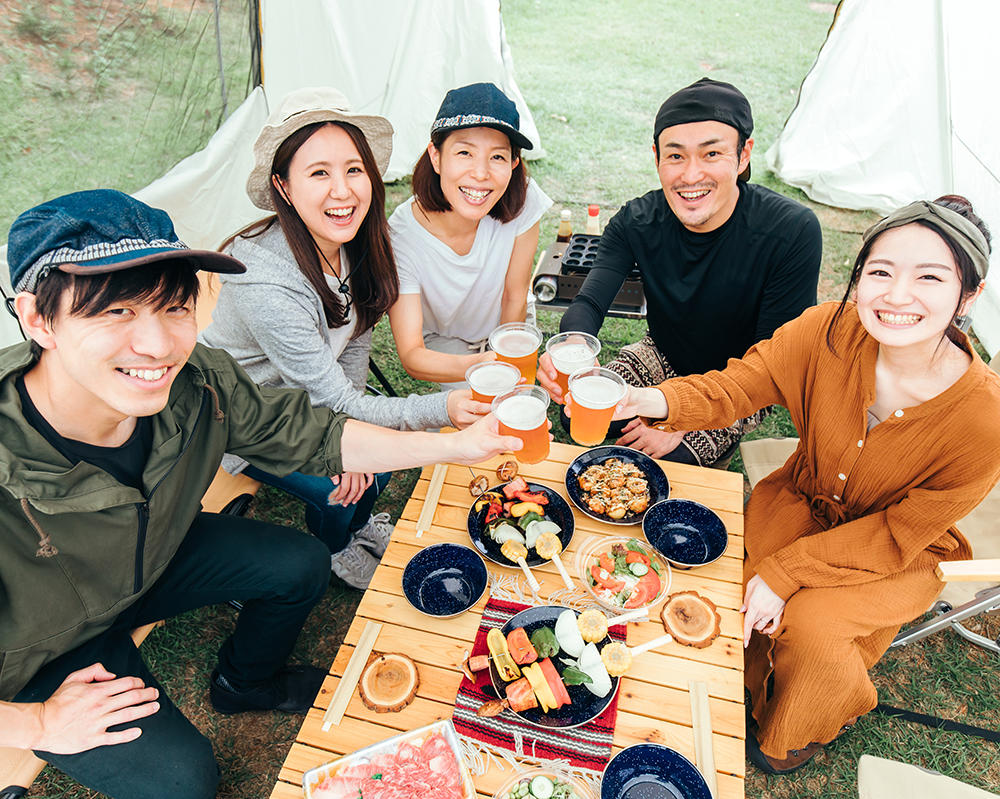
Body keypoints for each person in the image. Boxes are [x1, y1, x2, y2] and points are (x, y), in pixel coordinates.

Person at [0, 189, 522, 798]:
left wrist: (456, 446)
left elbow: (314, 435)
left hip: (149, 563)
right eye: (116, 311)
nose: (158, 345)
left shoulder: (199, 382)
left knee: (300, 562)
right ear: (37, 318)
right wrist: (37, 722)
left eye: (174, 306)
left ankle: (245, 682)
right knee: (183, 784)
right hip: (38, 649)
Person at [604, 196, 1000, 773]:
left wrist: (785, 573)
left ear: (969, 295)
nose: (896, 296)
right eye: (881, 272)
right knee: (732, 581)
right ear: (858, 276)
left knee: (813, 627)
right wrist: (650, 399)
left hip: (897, 547)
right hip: (801, 500)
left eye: (930, 278)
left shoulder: (985, 418)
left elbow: (899, 531)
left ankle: (798, 729)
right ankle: (745, 679)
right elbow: (742, 384)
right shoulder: (825, 330)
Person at [201, 87, 486, 589]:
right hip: (243, 417)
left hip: (309, 398)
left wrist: (348, 427)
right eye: (318, 173)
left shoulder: (354, 239)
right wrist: (439, 410)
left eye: (354, 169)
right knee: (340, 488)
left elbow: (354, 340)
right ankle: (335, 549)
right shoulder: (266, 280)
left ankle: (358, 527)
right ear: (284, 186)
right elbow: (332, 401)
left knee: (377, 461)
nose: (343, 191)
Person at [539, 77, 822, 466]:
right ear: (656, 157)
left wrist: (681, 417)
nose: (690, 176)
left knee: (671, 461)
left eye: (711, 154)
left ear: (743, 155)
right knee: (578, 412)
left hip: (740, 378)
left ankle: (710, 455)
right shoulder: (636, 221)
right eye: (675, 156)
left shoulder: (791, 230)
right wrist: (572, 345)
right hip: (665, 354)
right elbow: (589, 302)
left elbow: (773, 367)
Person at [387, 82, 553, 389]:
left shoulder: (523, 199)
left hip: (508, 324)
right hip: (446, 341)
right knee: (475, 414)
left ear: (514, 163)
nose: (480, 173)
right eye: (464, 152)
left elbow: (514, 295)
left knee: (517, 407)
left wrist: (507, 360)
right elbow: (412, 355)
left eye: (497, 157)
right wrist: (486, 365)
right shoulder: (401, 236)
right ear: (436, 156)